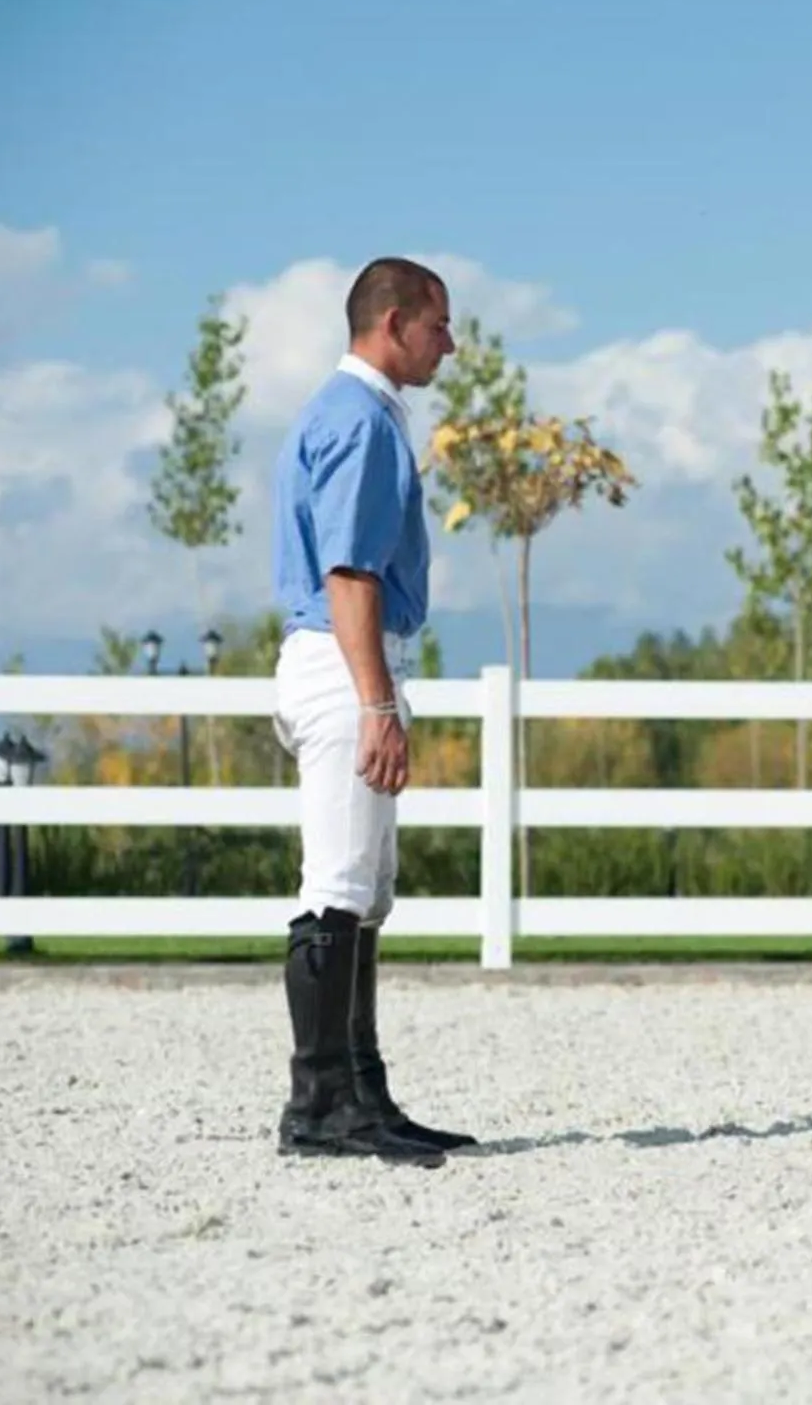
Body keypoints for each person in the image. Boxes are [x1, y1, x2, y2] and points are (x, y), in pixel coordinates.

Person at [268, 255, 474, 1163]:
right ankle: (318, 1107)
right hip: (347, 664)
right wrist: (375, 704)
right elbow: (348, 574)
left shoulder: (358, 415)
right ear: (392, 324)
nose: (450, 343)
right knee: (338, 889)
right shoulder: (358, 422)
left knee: (366, 894)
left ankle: (361, 1092)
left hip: (352, 662)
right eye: (439, 326)